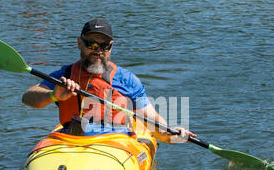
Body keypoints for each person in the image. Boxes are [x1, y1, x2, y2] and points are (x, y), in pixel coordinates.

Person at [22, 19, 196, 143]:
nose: (98, 51)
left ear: (111, 47)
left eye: (105, 46)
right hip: (70, 140)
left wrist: (171, 134)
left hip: (114, 143)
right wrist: (54, 95)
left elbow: (151, 119)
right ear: (79, 43)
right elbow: (28, 97)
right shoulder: (65, 75)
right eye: (92, 44)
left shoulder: (127, 80)